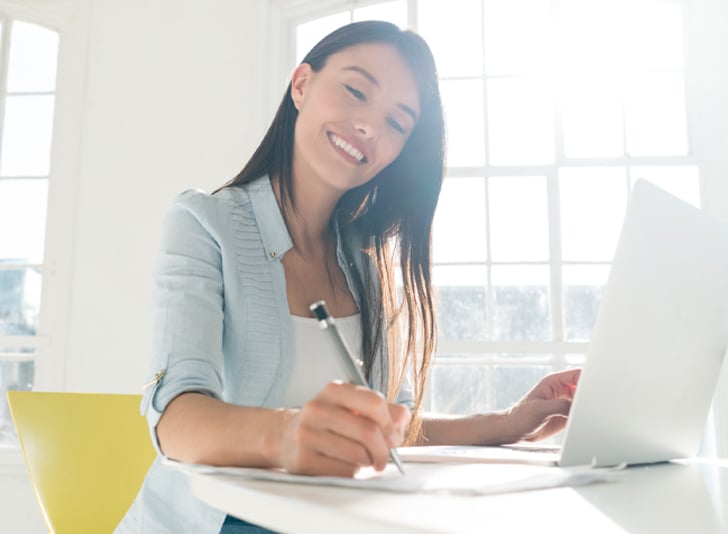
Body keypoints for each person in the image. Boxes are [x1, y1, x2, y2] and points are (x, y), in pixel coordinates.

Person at [116, 20, 580, 534]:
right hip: (215, 522)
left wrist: (508, 422)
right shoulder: (204, 223)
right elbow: (177, 417)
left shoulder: (369, 262)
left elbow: (388, 432)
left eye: (398, 124)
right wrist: (289, 435)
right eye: (355, 90)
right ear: (301, 85)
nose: (369, 127)